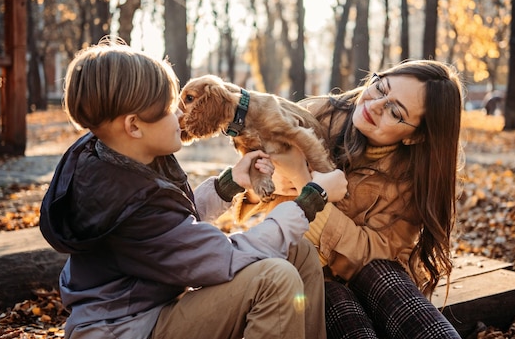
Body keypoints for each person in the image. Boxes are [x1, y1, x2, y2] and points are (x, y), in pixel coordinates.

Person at [39, 38, 348, 339]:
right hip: (126, 329)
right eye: (167, 109)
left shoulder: (114, 154)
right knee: (274, 279)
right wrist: (312, 198)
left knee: (298, 251)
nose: (180, 115)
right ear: (134, 126)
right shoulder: (123, 201)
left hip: (147, 312)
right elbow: (223, 258)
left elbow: (174, 229)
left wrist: (228, 185)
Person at [237, 60, 464, 339]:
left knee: (383, 275)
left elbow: (377, 252)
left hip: (371, 275)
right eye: (380, 87)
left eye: (395, 110)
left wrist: (305, 183)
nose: (375, 104)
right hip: (302, 268)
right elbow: (252, 188)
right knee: (340, 306)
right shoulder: (315, 116)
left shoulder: (415, 176)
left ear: (416, 136)